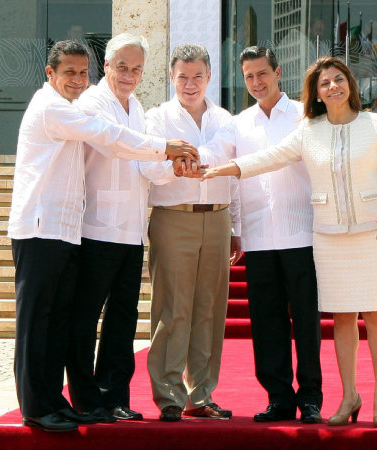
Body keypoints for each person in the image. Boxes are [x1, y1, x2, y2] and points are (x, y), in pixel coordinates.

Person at [200, 56, 377, 428]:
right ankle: (350, 396)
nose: (333, 87)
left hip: (375, 233)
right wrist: (223, 169)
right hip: (329, 236)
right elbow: (268, 159)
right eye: (324, 83)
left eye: (338, 79)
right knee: (343, 319)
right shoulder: (308, 129)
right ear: (315, 92)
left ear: (349, 83)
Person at [8, 40, 197, 432]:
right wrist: (165, 147)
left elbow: (137, 160)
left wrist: (169, 164)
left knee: (58, 320)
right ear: (50, 74)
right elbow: (110, 138)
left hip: (68, 228)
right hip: (46, 226)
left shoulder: (113, 108)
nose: (78, 80)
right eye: (69, 73)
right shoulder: (59, 107)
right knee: (39, 323)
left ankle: (54, 403)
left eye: (82, 72)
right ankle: (39, 405)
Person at [191, 46, 323, 423]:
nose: (256, 82)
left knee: (307, 321)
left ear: (278, 72)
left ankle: (311, 397)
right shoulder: (238, 123)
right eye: (248, 76)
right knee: (266, 322)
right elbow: (230, 171)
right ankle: (279, 396)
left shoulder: (304, 116)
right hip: (259, 235)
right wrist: (235, 228)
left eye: (262, 73)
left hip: (301, 234)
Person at [139, 43, 240, 422]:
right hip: (173, 217)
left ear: (209, 77)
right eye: (183, 76)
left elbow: (231, 168)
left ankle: (202, 394)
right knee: (172, 308)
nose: (190, 84)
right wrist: (173, 167)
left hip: (217, 218)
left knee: (210, 309)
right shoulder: (157, 118)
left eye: (198, 76)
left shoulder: (225, 119)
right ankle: (168, 396)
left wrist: (237, 228)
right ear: (171, 77)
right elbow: (147, 168)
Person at [65, 33, 157, 422]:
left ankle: (115, 394)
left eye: (137, 69)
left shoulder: (137, 106)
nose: (129, 75)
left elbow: (147, 163)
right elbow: (117, 145)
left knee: (124, 317)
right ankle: (86, 397)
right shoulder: (92, 102)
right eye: (122, 67)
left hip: (132, 230)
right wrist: (165, 147)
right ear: (106, 66)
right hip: (97, 228)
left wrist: (177, 165)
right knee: (85, 318)